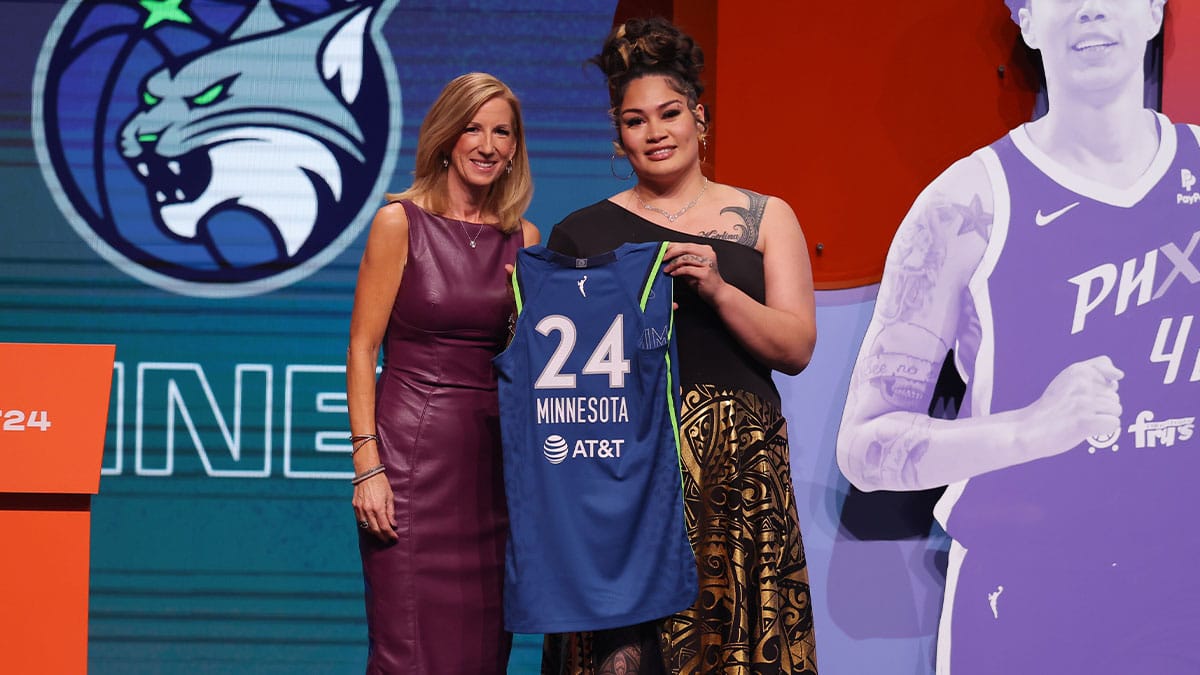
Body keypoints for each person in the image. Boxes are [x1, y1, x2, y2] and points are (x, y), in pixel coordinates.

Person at [837, 1, 1199, 673]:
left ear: (1153, 11)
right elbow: (866, 445)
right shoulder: (964, 205)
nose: (1091, 8)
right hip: (1030, 602)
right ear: (1027, 21)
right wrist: (1031, 430)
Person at [543, 17, 819, 675]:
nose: (656, 131)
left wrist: (720, 290)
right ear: (619, 135)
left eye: (669, 113)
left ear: (700, 116)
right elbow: (560, 382)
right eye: (636, 120)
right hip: (627, 472)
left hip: (739, 473)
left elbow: (797, 344)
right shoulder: (580, 233)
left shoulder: (764, 217)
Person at [345, 72, 539, 674]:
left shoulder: (525, 241)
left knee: (482, 654)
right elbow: (361, 348)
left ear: (514, 149)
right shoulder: (399, 222)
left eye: (501, 132)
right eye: (473, 128)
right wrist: (367, 464)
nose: (486, 144)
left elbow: (533, 363)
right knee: (408, 651)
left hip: (491, 471)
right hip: (410, 463)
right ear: (447, 138)